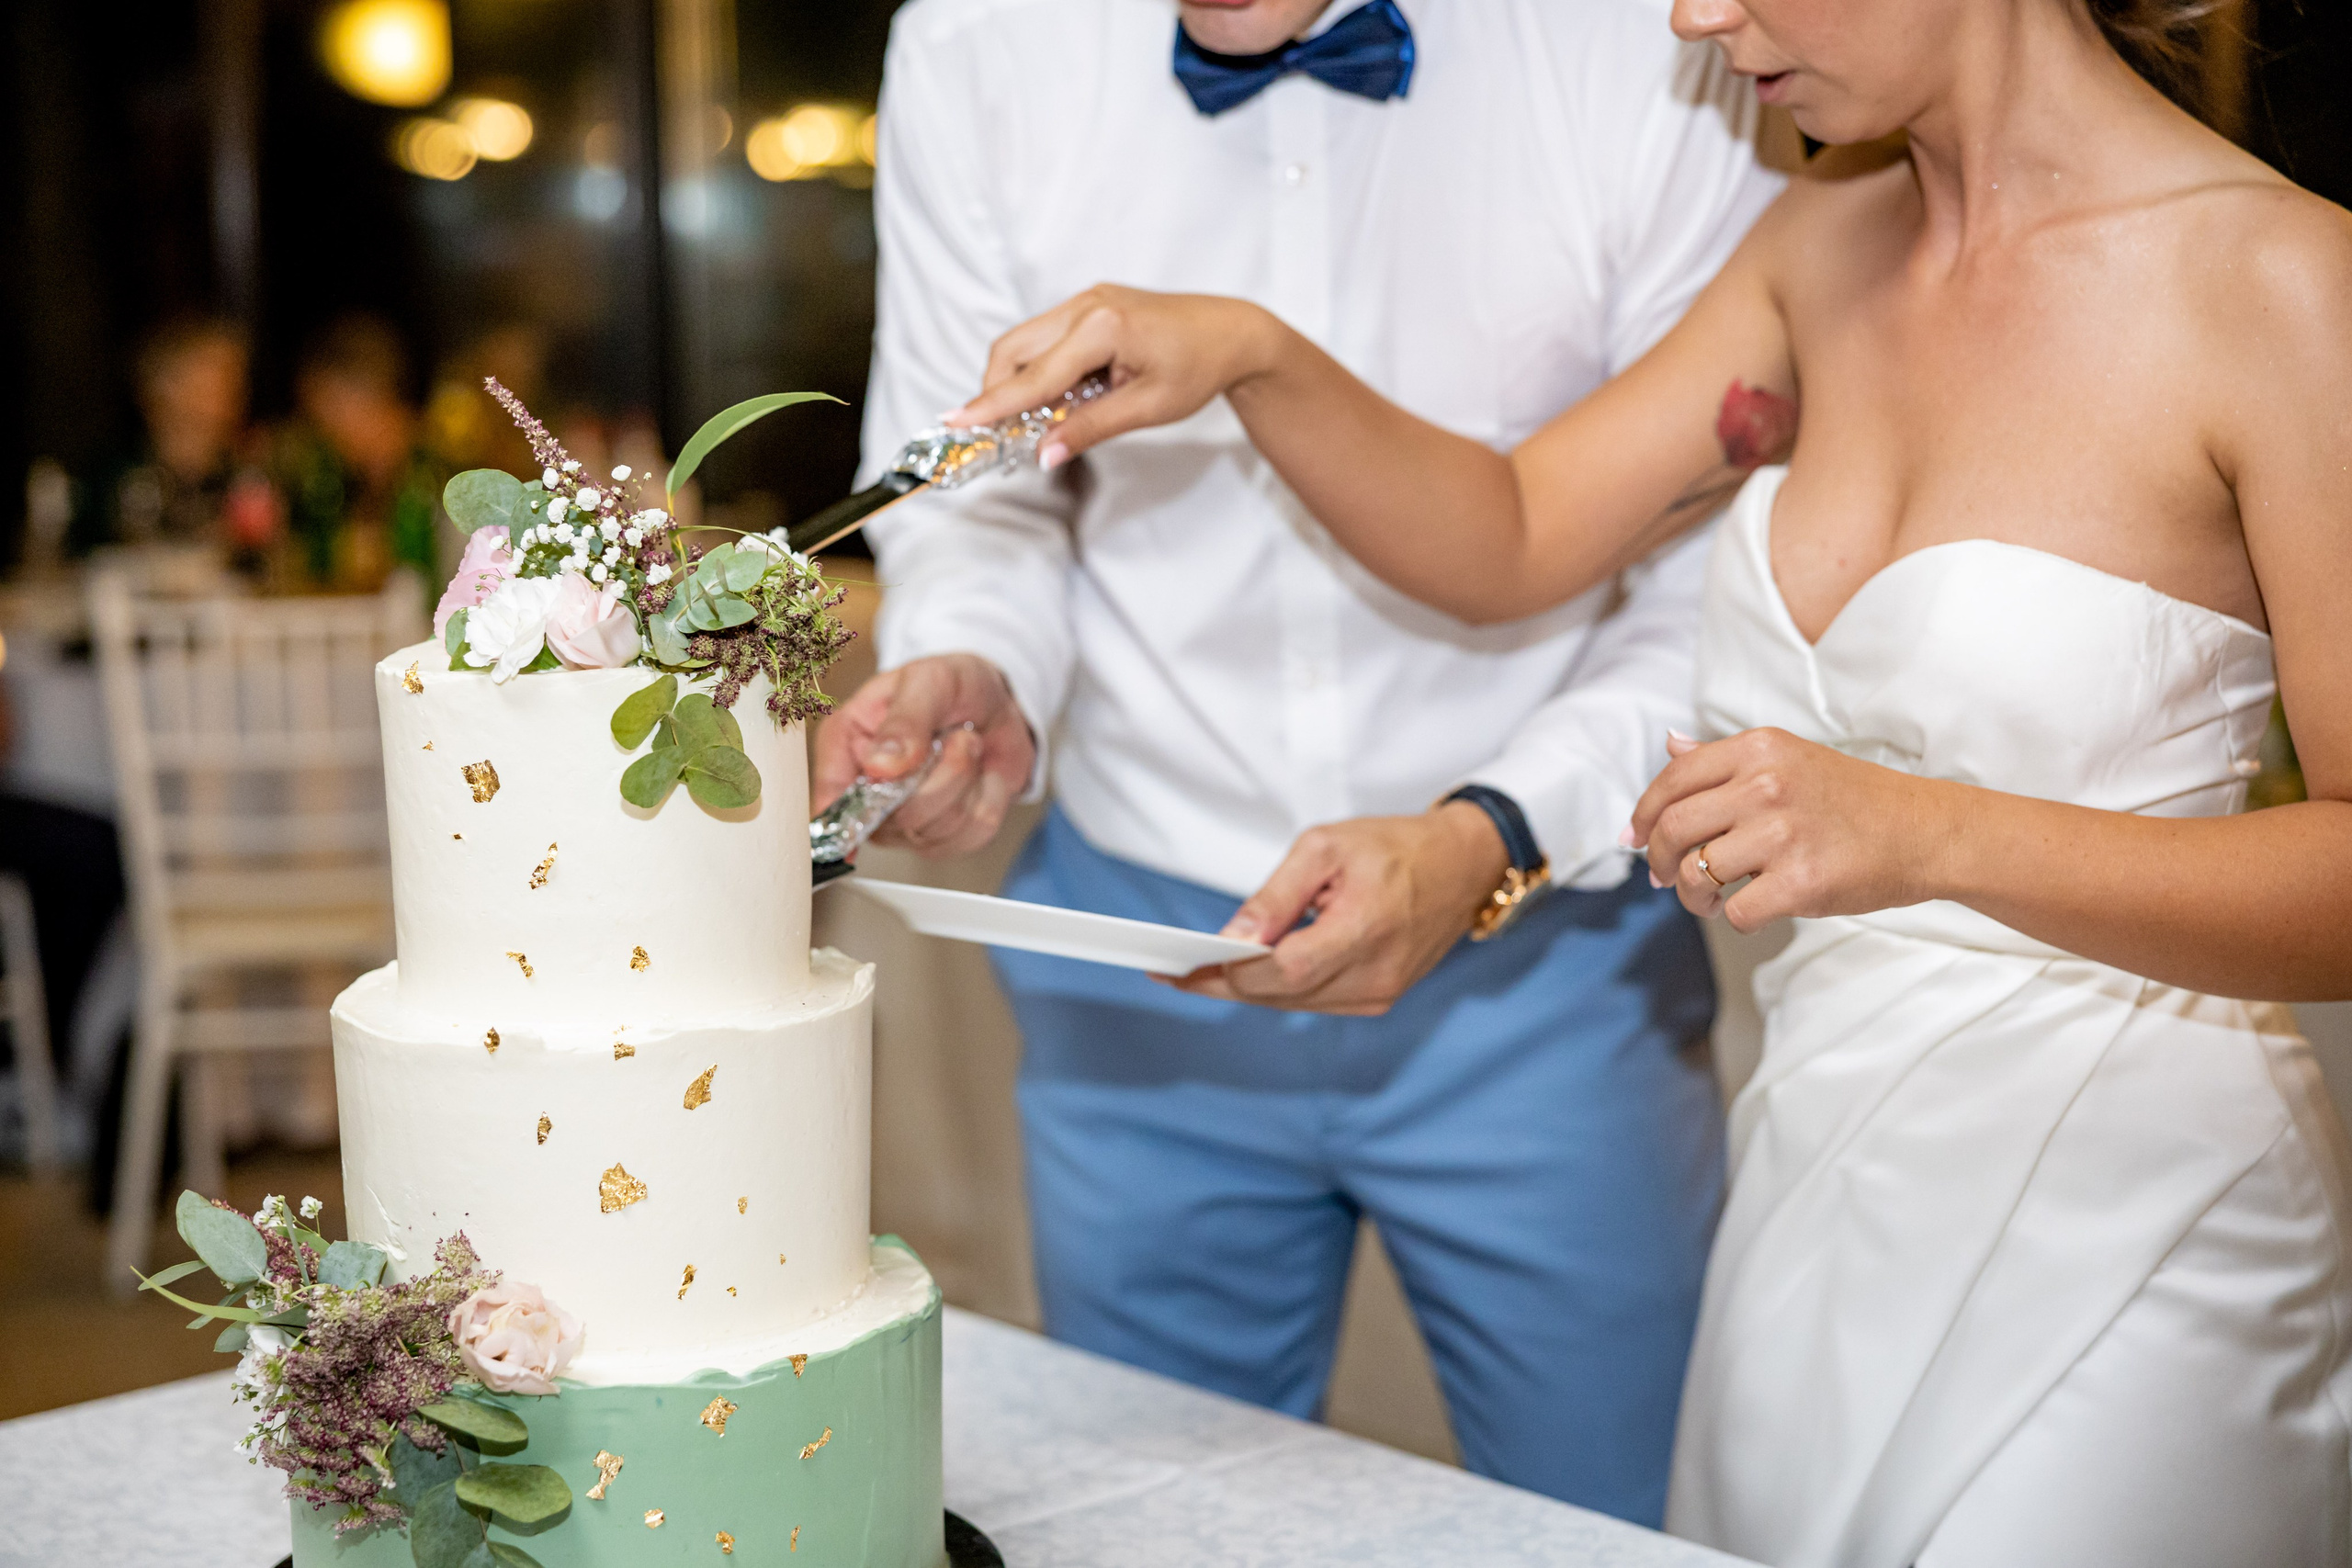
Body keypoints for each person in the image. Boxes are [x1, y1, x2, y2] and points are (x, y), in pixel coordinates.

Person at [946, 0, 2352, 1559]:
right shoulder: (1819, 240)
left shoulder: (2290, 283)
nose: (1689, 15)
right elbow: (1514, 539)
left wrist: (1927, 832)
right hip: (1816, 1187)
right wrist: (1251, 357)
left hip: (2130, 1230)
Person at [820, 0, 1781, 1524]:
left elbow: (1725, 579)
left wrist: (1493, 833)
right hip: (1138, 965)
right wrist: (977, 666)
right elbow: (971, 493)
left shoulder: (1648, 34)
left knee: (1624, 1518)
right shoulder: (977, 39)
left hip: (1549, 954)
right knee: (1148, 1530)